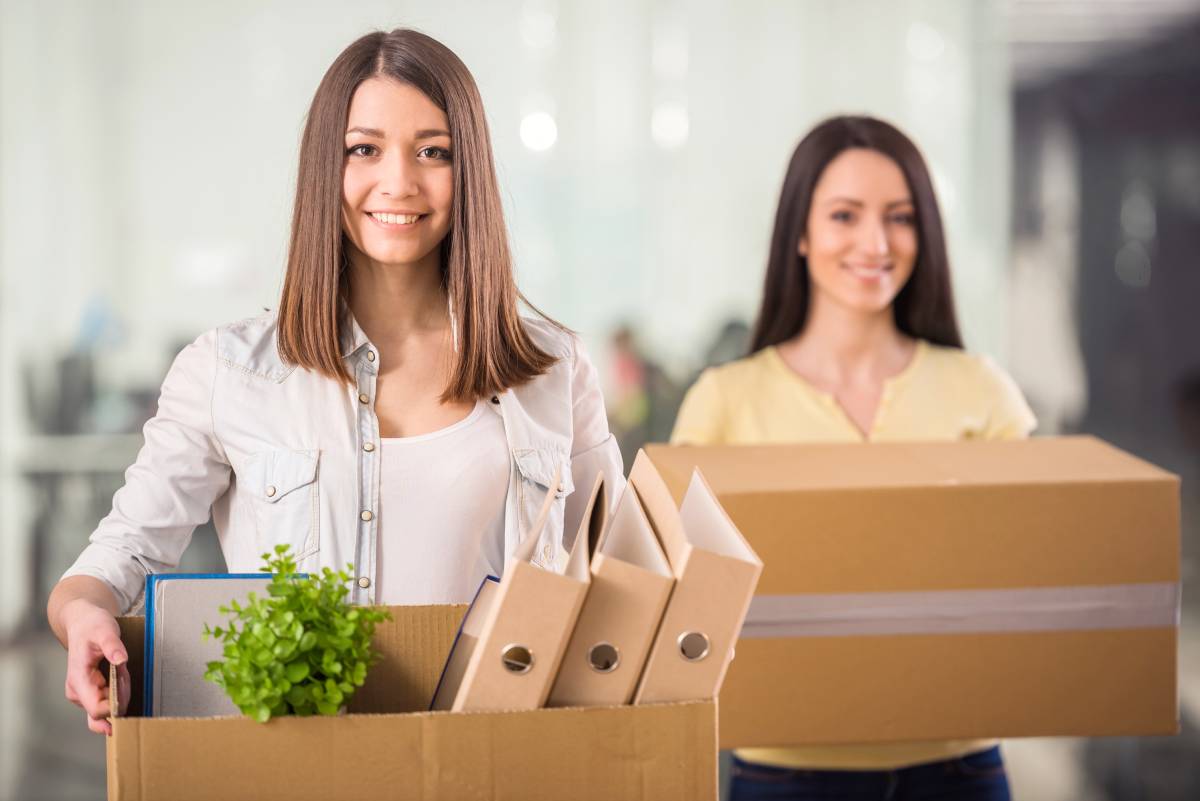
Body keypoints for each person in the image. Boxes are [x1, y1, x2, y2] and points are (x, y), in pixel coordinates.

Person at [46, 28, 623, 736]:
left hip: (498, 760)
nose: (399, 181)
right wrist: (85, 616)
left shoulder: (553, 369)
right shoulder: (228, 371)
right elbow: (119, 552)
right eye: (364, 148)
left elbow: (619, 578)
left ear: (469, 169)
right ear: (327, 165)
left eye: (434, 151)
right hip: (301, 759)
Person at [672, 116, 1034, 800]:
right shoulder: (723, 402)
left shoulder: (982, 392)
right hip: (786, 769)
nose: (876, 243)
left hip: (959, 766)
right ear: (800, 234)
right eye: (845, 215)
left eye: (900, 218)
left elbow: (1029, 577)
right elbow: (684, 605)